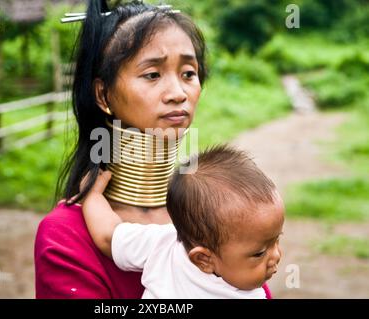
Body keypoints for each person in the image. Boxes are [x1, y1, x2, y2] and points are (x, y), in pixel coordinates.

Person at [34, 0, 272, 298]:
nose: (178, 93)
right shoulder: (66, 236)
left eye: (188, 73)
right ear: (102, 94)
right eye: (152, 75)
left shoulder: (218, 213)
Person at [82, 144, 284, 298]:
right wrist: (94, 196)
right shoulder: (161, 244)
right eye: (259, 253)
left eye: (276, 240)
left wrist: (92, 196)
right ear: (204, 260)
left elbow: (109, 235)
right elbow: (108, 236)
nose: (276, 255)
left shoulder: (160, 245)